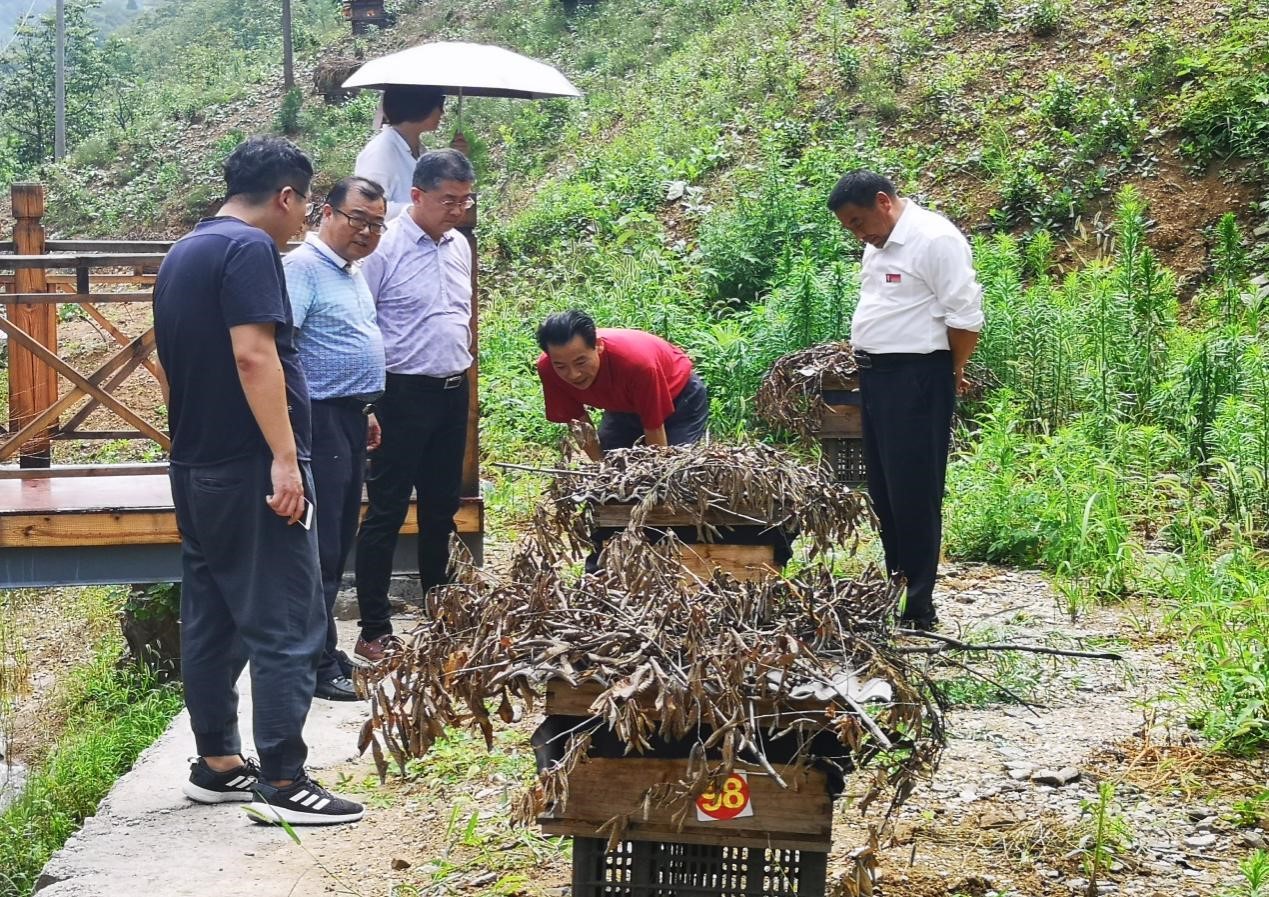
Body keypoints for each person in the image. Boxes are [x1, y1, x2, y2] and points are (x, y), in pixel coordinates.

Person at [154, 136, 363, 824]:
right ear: (285, 195)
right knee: (288, 621)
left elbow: (175, 363)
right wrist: (284, 457)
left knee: (212, 620)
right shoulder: (249, 250)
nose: (303, 217)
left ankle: (217, 763)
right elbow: (254, 354)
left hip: (197, 466)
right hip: (251, 468)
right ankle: (281, 779)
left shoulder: (184, 251)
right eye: (304, 202)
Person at [827, 170, 984, 630]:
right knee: (885, 490)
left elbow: (965, 317)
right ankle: (894, 588)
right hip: (877, 377)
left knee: (914, 490)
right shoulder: (878, 242)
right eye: (850, 228)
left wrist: (952, 370)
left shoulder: (934, 239)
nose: (858, 234)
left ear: (883, 201)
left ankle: (918, 605)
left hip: (917, 376)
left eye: (858, 222)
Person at [353, 148, 475, 663]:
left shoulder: (459, 245)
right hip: (400, 394)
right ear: (418, 195)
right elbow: (362, 321)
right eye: (449, 200)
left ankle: (441, 613)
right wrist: (368, 402)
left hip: (452, 391)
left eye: (466, 201)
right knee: (386, 510)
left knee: (441, 508)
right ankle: (374, 629)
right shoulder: (385, 246)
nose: (459, 210)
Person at [282, 175, 389, 702]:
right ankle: (317, 664)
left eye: (376, 224)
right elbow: (281, 347)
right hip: (317, 420)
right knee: (322, 546)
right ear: (327, 213)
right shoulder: (303, 268)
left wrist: (364, 410)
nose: (366, 232)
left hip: (346, 417)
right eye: (357, 219)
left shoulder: (350, 271)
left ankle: (325, 649)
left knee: (339, 536)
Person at [535, 310, 710, 461]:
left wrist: (657, 477)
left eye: (581, 362)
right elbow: (579, 424)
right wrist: (601, 470)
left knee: (674, 465)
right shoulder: (548, 368)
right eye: (561, 366)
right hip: (624, 407)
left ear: (598, 346)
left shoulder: (637, 365)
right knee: (613, 463)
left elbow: (654, 430)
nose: (573, 374)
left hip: (679, 398)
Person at [354, 86, 444, 219]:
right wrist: (421, 210)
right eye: (439, 104)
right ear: (421, 105)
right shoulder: (380, 151)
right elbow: (369, 205)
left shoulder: (420, 151)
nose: (442, 112)